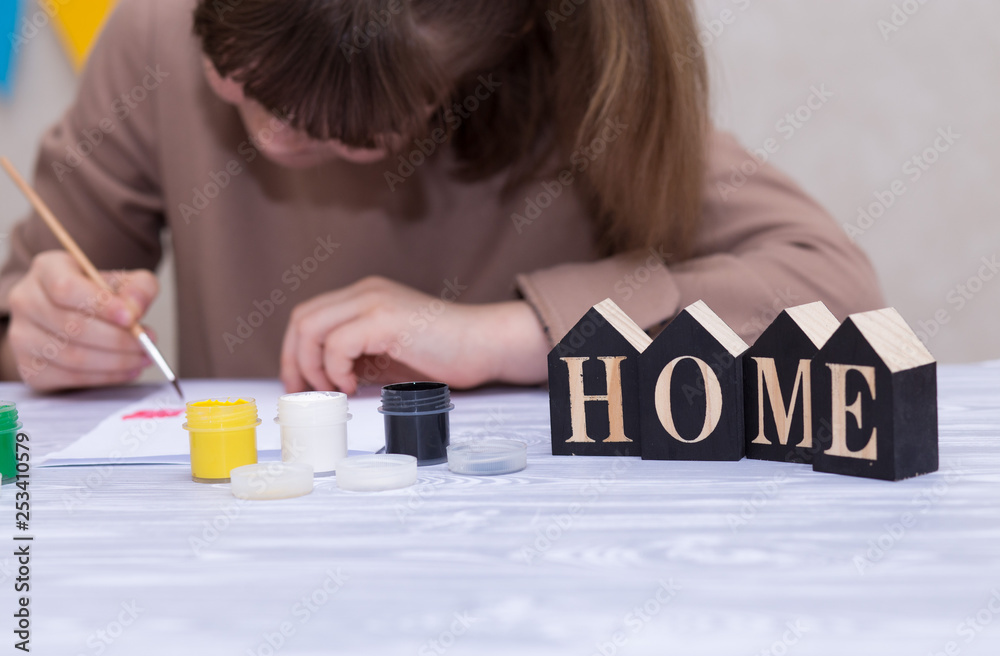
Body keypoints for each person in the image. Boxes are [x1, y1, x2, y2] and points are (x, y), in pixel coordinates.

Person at [0, 0, 884, 395]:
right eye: (233, 80)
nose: (271, 137)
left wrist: (506, 335)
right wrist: (37, 337)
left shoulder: (578, 86)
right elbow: (19, 316)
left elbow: (832, 290)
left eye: (343, 132)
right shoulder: (155, 31)